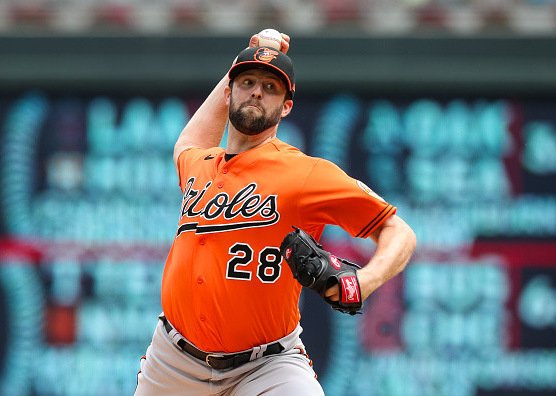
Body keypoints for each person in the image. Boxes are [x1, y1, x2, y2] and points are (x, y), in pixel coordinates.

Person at [134, 32, 417, 396]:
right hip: (173, 362)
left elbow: (399, 231)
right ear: (228, 93)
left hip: (267, 366)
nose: (256, 92)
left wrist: (365, 282)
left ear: (286, 106)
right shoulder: (200, 164)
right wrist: (244, 58)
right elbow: (186, 143)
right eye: (247, 82)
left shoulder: (305, 174)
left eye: (270, 87)